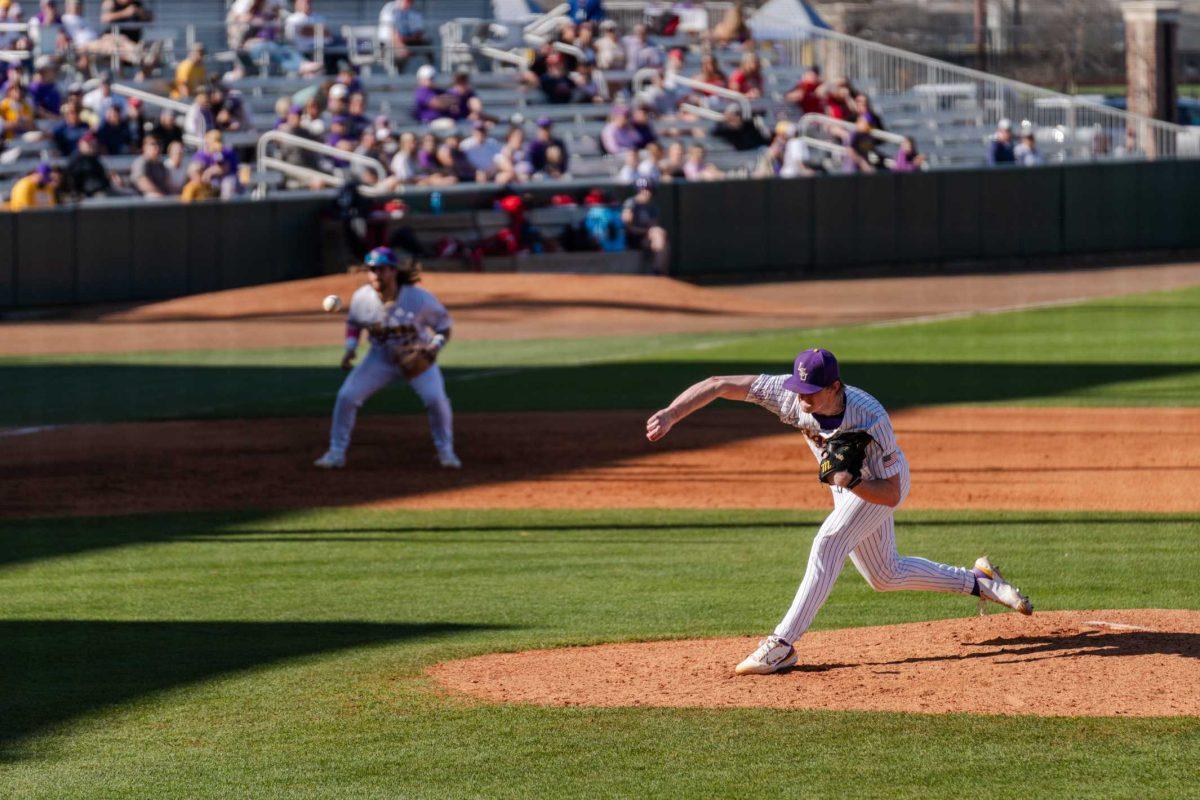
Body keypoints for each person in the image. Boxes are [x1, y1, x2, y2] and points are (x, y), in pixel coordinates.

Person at [644, 347, 1034, 675]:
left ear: (834, 387)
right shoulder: (787, 393)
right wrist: (671, 414)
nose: (802, 400)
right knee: (885, 574)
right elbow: (718, 385)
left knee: (827, 542)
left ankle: (782, 644)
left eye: (811, 393)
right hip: (846, 486)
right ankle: (979, 581)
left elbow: (893, 492)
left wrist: (853, 483)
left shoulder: (871, 418)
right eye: (799, 389)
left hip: (877, 484)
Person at [314, 247, 459, 470]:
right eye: (372, 270)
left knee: (436, 400)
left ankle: (446, 453)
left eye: (381, 269)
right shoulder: (362, 297)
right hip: (379, 358)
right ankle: (336, 453)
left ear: (393, 271)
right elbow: (354, 323)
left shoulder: (418, 298)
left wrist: (432, 349)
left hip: (417, 358)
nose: (376, 275)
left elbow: (444, 327)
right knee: (346, 397)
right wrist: (351, 348)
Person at [621, 177, 668, 274]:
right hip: (631, 238)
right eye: (644, 190)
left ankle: (659, 273)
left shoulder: (652, 206)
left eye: (649, 190)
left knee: (661, 238)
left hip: (645, 237)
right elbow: (626, 225)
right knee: (658, 234)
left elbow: (654, 226)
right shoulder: (631, 203)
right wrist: (644, 231)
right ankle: (658, 272)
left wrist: (650, 232)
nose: (647, 193)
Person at [64, 130, 115, 197]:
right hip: (90, 193)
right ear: (80, 145)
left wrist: (110, 178)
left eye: (93, 143)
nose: (92, 145)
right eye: (89, 143)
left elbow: (102, 178)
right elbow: (74, 180)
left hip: (102, 189)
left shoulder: (94, 159)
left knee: (129, 194)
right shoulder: (76, 160)